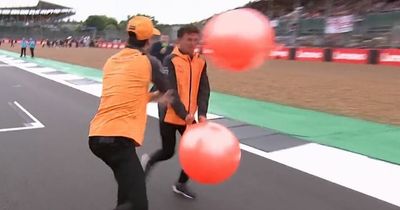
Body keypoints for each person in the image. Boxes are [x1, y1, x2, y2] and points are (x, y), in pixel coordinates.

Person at [88, 16, 175, 210]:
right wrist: (163, 95)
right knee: (138, 205)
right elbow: (167, 87)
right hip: (118, 140)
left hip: (97, 135)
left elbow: (128, 94)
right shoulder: (149, 62)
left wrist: (152, 97)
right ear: (148, 41)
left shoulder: (111, 61)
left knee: (127, 190)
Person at [142, 24, 211, 199]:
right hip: (170, 114)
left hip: (188, 117)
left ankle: (180, 184)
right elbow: (169, 90)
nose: (193, 43)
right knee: (167, 151)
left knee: (196, 153)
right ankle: (149, 161)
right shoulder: (170, 60)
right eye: (189, 39)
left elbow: (204, 89)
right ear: (179, 40)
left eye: (196, 40)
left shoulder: (200, 61)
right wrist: (184, 114)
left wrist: (202, 113)